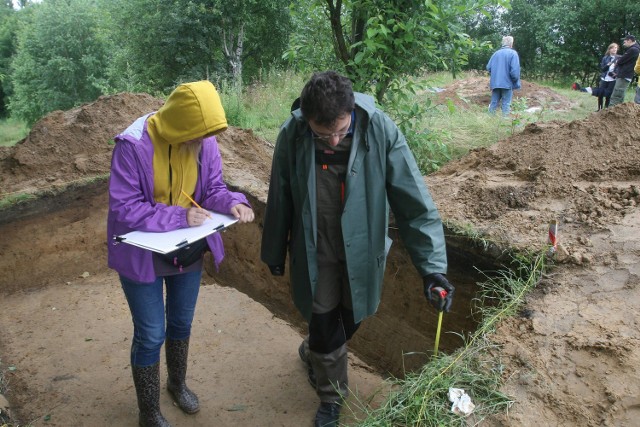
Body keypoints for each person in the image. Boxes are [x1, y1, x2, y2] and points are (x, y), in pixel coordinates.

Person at [260, 71, 454, 427]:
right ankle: (331, 398)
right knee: (323, 322)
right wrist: (274, 251)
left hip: (362, 252)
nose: (333, 141)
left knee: (351, 319)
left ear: (351, 111)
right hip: (314, 250)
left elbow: (414, 203)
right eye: (323, 134)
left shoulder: (379, 129)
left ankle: (314, 353)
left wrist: (433, 268)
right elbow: (280, 194)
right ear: (307, 120)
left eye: (341, 130)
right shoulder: (294, 133)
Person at [107, 80, 255, 427]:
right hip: (141, 253)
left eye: (203, 138)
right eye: (193, 136)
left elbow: (213, 188)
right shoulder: (133, 146)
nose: (199, 144)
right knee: (151, 334)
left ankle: (177, 384)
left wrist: (233, 201)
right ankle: (149, 411)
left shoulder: (204, 139)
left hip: (187, 250)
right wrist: (179, 216)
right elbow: (125, 209)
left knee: (180, 323)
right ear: (177, 124)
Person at [486, 35, 521, 116]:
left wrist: (495, 75)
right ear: (511, 44)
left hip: (495, 84)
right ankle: (504, 123)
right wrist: (515, 81)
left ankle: (489, 120)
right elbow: (515, 72)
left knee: (493, 103)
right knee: (506, 104)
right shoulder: (513, 54)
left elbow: (488, 67)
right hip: (507, 84)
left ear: (503, 43)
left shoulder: (495, 54)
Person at [609, 35, 640, 106]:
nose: (624, 42)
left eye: (625, 41)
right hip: (626, 75)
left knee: (616, 95)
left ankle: (611, 112)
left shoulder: (633, 49)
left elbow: (620, 61)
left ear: (629, 40)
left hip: (624, 75)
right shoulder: (635, 49)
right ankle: (618, 112)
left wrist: (617, 61)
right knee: (620, 95)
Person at [594, 43, 620, 110]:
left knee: (608, 95)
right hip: (604, 78)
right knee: (600, 94)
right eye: (613, 48)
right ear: (609, 49)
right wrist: (608, 65)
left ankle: (606, 110)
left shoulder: (619, 58)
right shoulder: (605, 58)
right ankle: (599, 109)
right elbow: (602, 69)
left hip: (613, 80)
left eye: (616, 48)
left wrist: (616, 73)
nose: (614, 49)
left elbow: (620, 69)